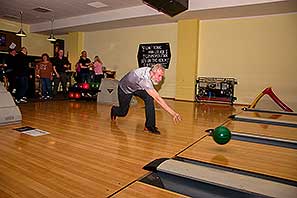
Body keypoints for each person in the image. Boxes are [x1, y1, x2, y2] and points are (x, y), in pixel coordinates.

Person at [110, 64, 181, 134]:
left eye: (161, 76)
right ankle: (114, 110)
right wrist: (173, 113)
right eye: (159, 76)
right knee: (123, 112)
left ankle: (149, 126)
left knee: (149, 98)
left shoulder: (149, 71)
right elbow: (158, 98)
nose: (160, 79)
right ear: (152, 73)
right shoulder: (144, 80)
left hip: (137, 87)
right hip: (124, 89)